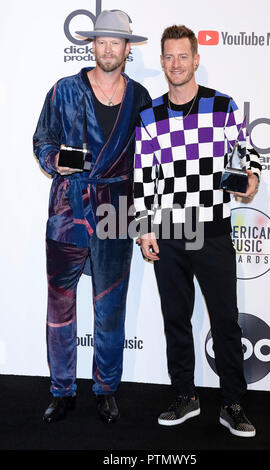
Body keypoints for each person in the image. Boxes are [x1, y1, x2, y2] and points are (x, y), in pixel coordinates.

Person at [134, 25, 261, 437]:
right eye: (169, 57)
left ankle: (233, 402)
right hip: (169, 229)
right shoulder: (148, 116)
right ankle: (185, 395)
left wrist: (252, 177)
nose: (176, 64)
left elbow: (247, 152)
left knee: (225, 320)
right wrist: (143, 228)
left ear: (196, 59)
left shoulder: (221, 106)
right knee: (176, 318)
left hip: (214, 228)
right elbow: (142, 178)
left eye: (183, 56)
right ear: (162, 62)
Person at [33, 10, 150, 424]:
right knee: (60, 305)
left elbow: (147, 166)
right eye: (100, 41)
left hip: (117, 211)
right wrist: (55, 160)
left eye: (115, 43)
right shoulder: (63, 90)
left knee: (110, 309)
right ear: (91, 45)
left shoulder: (140, 99)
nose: (107, 49)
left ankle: (105, 390)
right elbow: (42, 141)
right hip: (68, 207)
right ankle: (62, 390)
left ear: (127, 49)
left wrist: (146, 221)